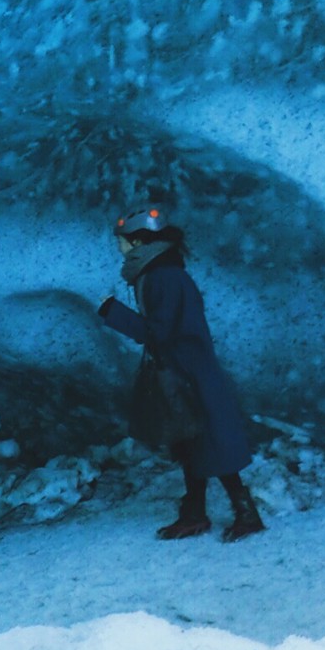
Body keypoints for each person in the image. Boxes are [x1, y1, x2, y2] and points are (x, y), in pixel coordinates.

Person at [98, 207, 265, 543]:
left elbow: (159, 331)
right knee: (191, 443)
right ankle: (195, 513)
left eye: (122, 241)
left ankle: (245, 514)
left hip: (188, 372)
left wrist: (111, 312)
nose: (119, 248)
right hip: (184, 369)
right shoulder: (157, 273)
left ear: (138, 240)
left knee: (206, 442)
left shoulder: (164, 277)